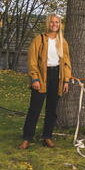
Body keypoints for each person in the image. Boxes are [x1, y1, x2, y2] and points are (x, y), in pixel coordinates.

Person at [20, 14, 72, 149]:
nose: (54, 24)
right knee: (34, 109)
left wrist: (66, 80)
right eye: (52, 22)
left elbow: (66, 63)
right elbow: (32, 60)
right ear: (48, 23)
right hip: (42, 76)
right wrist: (35, 78)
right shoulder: (39, 39)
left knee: (52, 110)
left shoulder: (62, 42)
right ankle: (27, 138)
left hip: (57, 77)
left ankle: (47, 137)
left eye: (57, 22)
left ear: (60, 24)